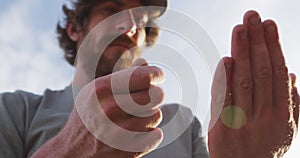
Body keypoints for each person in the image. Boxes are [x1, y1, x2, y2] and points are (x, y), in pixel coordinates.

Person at [0, 0, 298, 158]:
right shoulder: (16, 112)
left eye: (140, 21)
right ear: (74, 29)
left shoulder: (182, 124)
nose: (130, 25)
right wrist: (70, 151)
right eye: (112, 8)